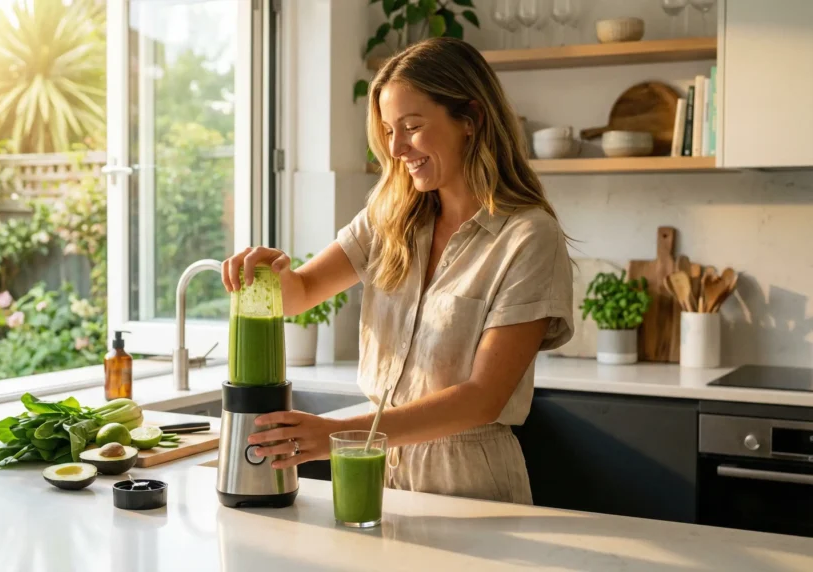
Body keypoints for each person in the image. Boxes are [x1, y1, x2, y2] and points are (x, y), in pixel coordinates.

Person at [220, 37, 573, 504]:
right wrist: (267, 272)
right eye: (388, 130)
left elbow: (483, 396)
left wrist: (338, 434)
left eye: (412, 126)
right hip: (375, 477)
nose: (397, 147)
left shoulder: (528, 237)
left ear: (471, 120)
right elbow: (300, 293)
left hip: (471, 486)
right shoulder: (388, 218)